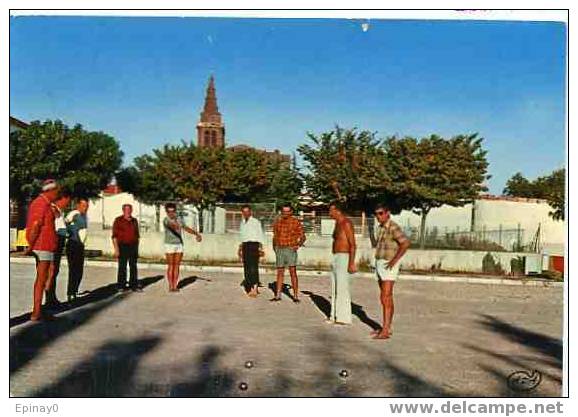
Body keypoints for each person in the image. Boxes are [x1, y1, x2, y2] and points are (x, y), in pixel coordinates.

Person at [372, 204, 410, 340]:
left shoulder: (393, 227)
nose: (378, 216)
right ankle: (386, 327)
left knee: (385, 297)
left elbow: (405, 243)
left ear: (387, 213)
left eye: (381, 213)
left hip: (389, 264)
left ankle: (386, 331)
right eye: (376, 214)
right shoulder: (381, 227)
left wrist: (394, 261)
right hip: (380, 263)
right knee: (385, 297)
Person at [25, 179, 60, 321]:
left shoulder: (46, 203)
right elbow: (36, 225)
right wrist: (31, 245)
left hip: (47, 245)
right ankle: (37, 311)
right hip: (42, 245)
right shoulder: (41, 204)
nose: (58, 193)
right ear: (50, 191)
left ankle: (41, 308)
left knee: (48, 275)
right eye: (57, 190)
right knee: (41, 278)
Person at [327, 202, 356, 325]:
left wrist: (351, 263)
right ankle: (334, 315)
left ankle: (343, 318)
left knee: (342, 288)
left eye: (331, 210)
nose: (329, 213)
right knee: (335, 287)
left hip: (344, 256)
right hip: (336, 256)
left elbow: (353, 244)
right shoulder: (337, 224)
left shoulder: (346, 223)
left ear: (337, 210)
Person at [270, 203, 306, 303]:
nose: (285, 213)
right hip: (279, 249)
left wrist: (298, 245)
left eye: (287, 211)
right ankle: (277, 295)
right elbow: (275, 236)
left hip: (290, 249)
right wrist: (275, 248)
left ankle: (295, 296)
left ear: (291, 212)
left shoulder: (296, 222)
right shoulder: (277, 222)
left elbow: (303, 237)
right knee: (280, 272)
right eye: (283, 211)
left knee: (292, 272)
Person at [163, 203, 202, 292]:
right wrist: (178, 225)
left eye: (173, 211)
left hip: (179, 244)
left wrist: (196, 234)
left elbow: (186, 228)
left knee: (177, 266)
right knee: (171, 266)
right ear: (166, 212)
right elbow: (171, 226)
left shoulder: (179, 219)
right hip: (169, 244)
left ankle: (175, 285)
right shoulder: (166, 220)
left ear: (175, 211)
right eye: (169, 212)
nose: (171, 213)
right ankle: (170, 286)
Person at [45, 194, 71, 308]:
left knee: (55, 271)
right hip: (53, 242)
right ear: (61, 199)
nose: (68, 203)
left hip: (59, 242)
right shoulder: (52, 209)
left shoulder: (60, 211)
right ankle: (48, 298)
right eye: (67, 200)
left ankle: (52, 296)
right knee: (50, 271)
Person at [112, 204, 141, 292]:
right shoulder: (118, 220)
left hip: (133, 246)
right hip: (122, 246)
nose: (128, 211)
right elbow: (114, 236)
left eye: (129, 210)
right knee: (122, 266)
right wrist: (116, 249)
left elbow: (137, 236)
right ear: (123, 210)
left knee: (133, 266)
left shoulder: (134, 221)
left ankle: (133, 285)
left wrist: (137, 249)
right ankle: (121, 285)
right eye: (126, 210)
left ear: (131, 210)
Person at [238, 205, 265, 297]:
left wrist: (260, 248)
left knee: (253, 267)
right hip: (245, 245)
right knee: (247, 267)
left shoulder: (255, 222)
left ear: (250, 212)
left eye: (247, 211)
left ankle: (255, 288)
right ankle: (249, 285)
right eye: (244, 212)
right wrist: (240, 249)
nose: (245, 213)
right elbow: (242, 236)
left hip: (254, 245)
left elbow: (260, 234)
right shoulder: (242, 222)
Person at [65, 198, 89, 301]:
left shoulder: (84, 216)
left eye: (87, 206)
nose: (86, 208)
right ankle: (71, 292)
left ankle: (75, 289)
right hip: (73, 244)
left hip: (80, 245)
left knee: (79, 270)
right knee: (73, 269)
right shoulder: (74, 214)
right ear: (78, 206)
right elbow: (65, 223)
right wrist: (69, 232)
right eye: (83, 206)